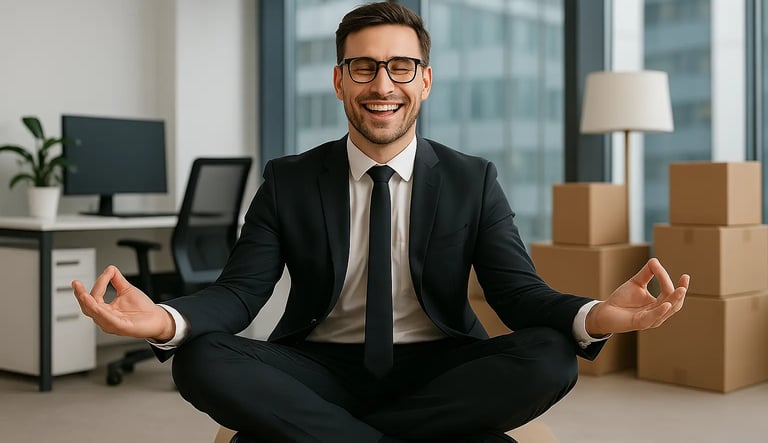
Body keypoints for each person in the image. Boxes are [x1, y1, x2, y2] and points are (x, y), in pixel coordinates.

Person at [72, 3, 689, 443]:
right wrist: (165, 319)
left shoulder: (473, 179)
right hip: (317, 366)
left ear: (424, 80)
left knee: (553, 356)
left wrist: (596, 317)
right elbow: (238, 294)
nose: (381, 84)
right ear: (340, 81)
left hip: (439, 365)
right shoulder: (289, 179)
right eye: (363, 68)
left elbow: (517, 293)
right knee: (199, 360)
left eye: (400, 67)